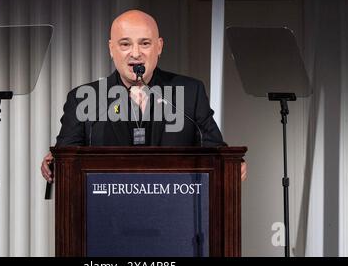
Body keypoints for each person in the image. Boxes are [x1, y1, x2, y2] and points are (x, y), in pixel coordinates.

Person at [40, 10, 247, 182]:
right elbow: (64, 158)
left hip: (175, 213)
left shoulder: (190, 92)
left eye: (145, 43)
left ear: (159, 47)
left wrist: (231, 165)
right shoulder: (84, 98)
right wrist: (54, 164)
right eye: (125, 44)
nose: (136, 53)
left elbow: (215, 149)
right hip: (105, 218)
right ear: (111, 49)